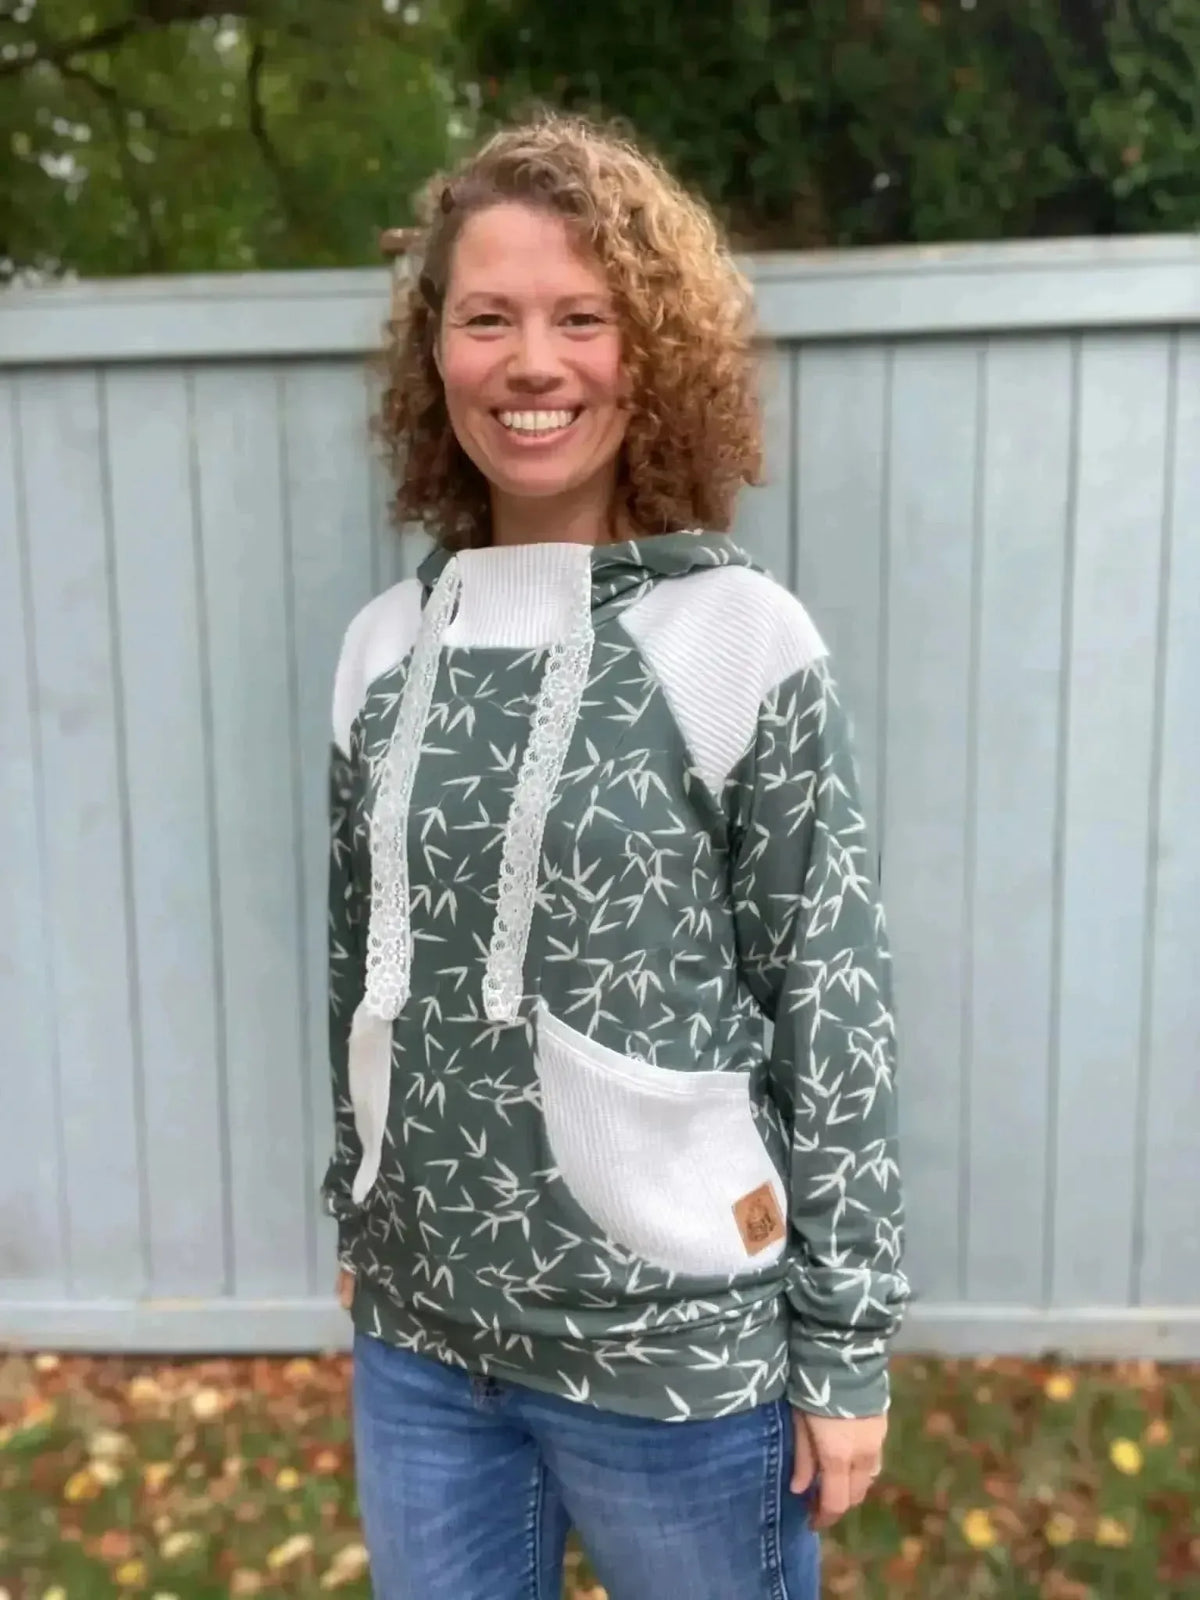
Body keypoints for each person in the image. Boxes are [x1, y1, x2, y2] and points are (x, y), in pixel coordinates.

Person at [322, 112, 908, 1600]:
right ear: (436, 354)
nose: (533, 362)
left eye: (582, 318)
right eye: (488, 318)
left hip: (672, 1354)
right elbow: (358, 968)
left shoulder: (737, 639)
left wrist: (845, 1342)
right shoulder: (384, 649)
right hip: (424, 1350)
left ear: (654, 351)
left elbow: (831, 1000)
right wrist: (362, 1204)